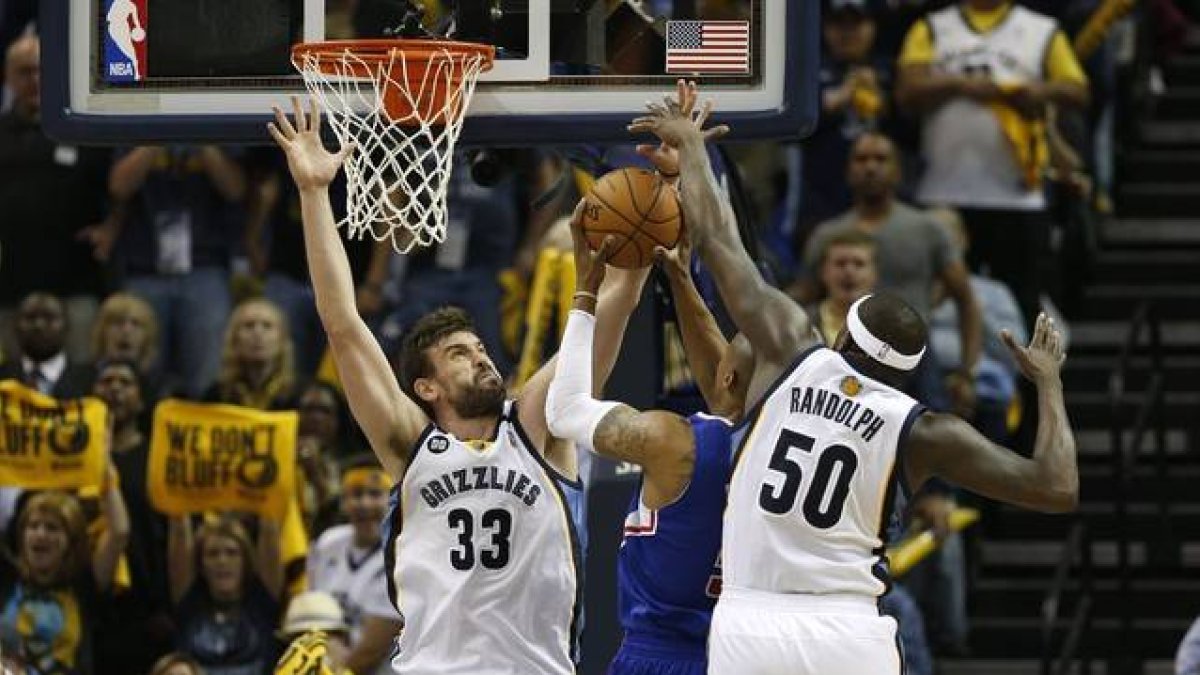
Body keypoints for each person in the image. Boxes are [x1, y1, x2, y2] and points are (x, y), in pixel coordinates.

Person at [629, 80, 1079, 674]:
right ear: (908, 373)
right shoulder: (923, 431)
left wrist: (691, 145)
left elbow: (719, 241)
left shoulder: (794, 347)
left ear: (841, 334)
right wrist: (1047, 383)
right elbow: (1056, 486)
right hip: (849, 628)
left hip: (752, 620)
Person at [267, 98, 647, 674]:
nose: (481, 358)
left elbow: (606, 324)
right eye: (459, 355)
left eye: (480, 348)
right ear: (426, 388)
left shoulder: (537, 427)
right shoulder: (410, 445)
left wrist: (644, 241)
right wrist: (315, 193)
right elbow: (342, 323)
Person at [545, 198, 752, 672]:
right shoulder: (782, 439)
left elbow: (564, 410)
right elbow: (730, 386)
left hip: (658, 655)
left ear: (727, 380)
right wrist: (680, 278)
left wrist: (585, 293)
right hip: (740, 653)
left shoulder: (674, 441)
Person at [895, 0, 1089, 329]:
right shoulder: (931, 27)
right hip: (944, 195)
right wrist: (960, 85)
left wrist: (1036, 91)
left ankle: (1028, 381)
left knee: (1023, 304)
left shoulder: (1041, 29)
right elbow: (907, 89)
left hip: (1017, 196)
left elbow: (1078, 90)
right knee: (938, 304)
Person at [793, 131, 983, 418]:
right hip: (840, 356)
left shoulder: (928, 230)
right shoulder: (826, 235)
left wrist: (967, 372)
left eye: (881, 159)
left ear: (897, 171)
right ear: (848, 170)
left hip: (914, 363)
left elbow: (966, 299)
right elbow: (801, 295)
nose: (870, 167)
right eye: (861, 159)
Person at [0, 34, 110, 363]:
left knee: (79, 377)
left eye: (40, 70)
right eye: (24, 71)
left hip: (76, 280)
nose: (34, 79)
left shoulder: (84, 126)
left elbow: (116, 187)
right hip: (10, 285)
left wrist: (113, 225)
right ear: (6, 77)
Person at [90, 358, 173, 674]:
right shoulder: (74, 460)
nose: (114, 389)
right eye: (106, 381)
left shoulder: (159, 457)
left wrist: (166, 606)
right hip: (92, 605)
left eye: (125, 383)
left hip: (149, 612)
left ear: (141, 400)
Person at [0, 482, 130, 674]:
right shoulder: (7, 579)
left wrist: (104, 470)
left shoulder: (84, 584)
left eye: (52, 528)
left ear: (71, 541)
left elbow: (119, 531)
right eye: (33, 526)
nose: (40, 534)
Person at [307, 458, 403, 675]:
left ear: (394, 501)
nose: (365, 504)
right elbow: (312, 612)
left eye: (375, 494)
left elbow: (369, 652)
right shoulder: (328, 543)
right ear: (343, 502)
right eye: (356, 494)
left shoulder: (403, 555)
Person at [169, 514, 283, 675]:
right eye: (212, 554)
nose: (222, 561)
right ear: (200, 565)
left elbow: (269, 525)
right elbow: (179, 523)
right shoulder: (191, 605)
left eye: (232, 552)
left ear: (246, 561)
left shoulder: (260, 603)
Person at [0, 292, 95, 398]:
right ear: (15, 326)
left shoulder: (91, 381)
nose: (38, 325)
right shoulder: (2, 377)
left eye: (49, 318)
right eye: (30, 317)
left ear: (67, 326)